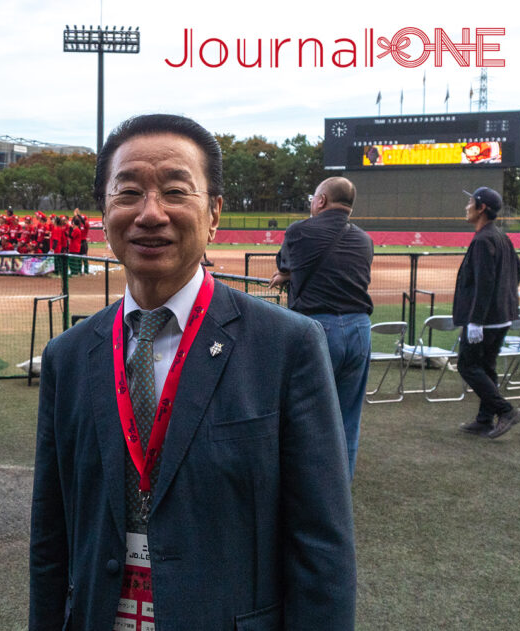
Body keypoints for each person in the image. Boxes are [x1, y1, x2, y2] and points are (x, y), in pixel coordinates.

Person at [30, 114, 355, 631]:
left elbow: (321, 544)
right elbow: (51, 539)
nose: (150, 213)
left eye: (176, 191)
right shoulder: (69, 356)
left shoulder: (286, 346)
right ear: (105, 211)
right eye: (128, 192)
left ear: (214, 213)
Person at [269, 176, 374, 477]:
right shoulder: (364, 240)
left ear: (322, 201)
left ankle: (308, 485)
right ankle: (340, 483)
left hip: (317, 328)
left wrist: (287, 276)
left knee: (307, 415)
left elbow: (286, 265)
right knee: (348, 417)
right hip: (359, 329)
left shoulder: (300, 231)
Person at [454, 186, 520, 439]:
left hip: (484, 321)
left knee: (467, 365)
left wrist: (476, 320)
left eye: (470, 202)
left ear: (481, 208)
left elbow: (484, 283)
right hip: (501, 317)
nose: (466, 207)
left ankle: (505, 411)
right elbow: (518, 270)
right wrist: (503, 298)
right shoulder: (501, 236)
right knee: (486, 367)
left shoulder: (484, 239)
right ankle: (484, 420)